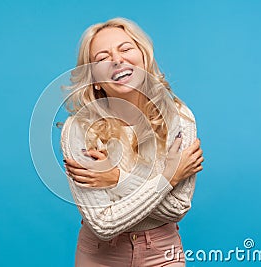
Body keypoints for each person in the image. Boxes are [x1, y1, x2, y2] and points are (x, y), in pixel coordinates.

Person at [60, 17, 203, 267]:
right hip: (100, 255)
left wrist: (116, 178)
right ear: (93, 76)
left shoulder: (179, 118)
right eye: (102, 58)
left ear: (144, 58)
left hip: (163, 252)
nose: (117, 59)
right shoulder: (80, 129)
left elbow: (177, 208)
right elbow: (104, 224)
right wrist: (169, 177)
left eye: (126, 49)